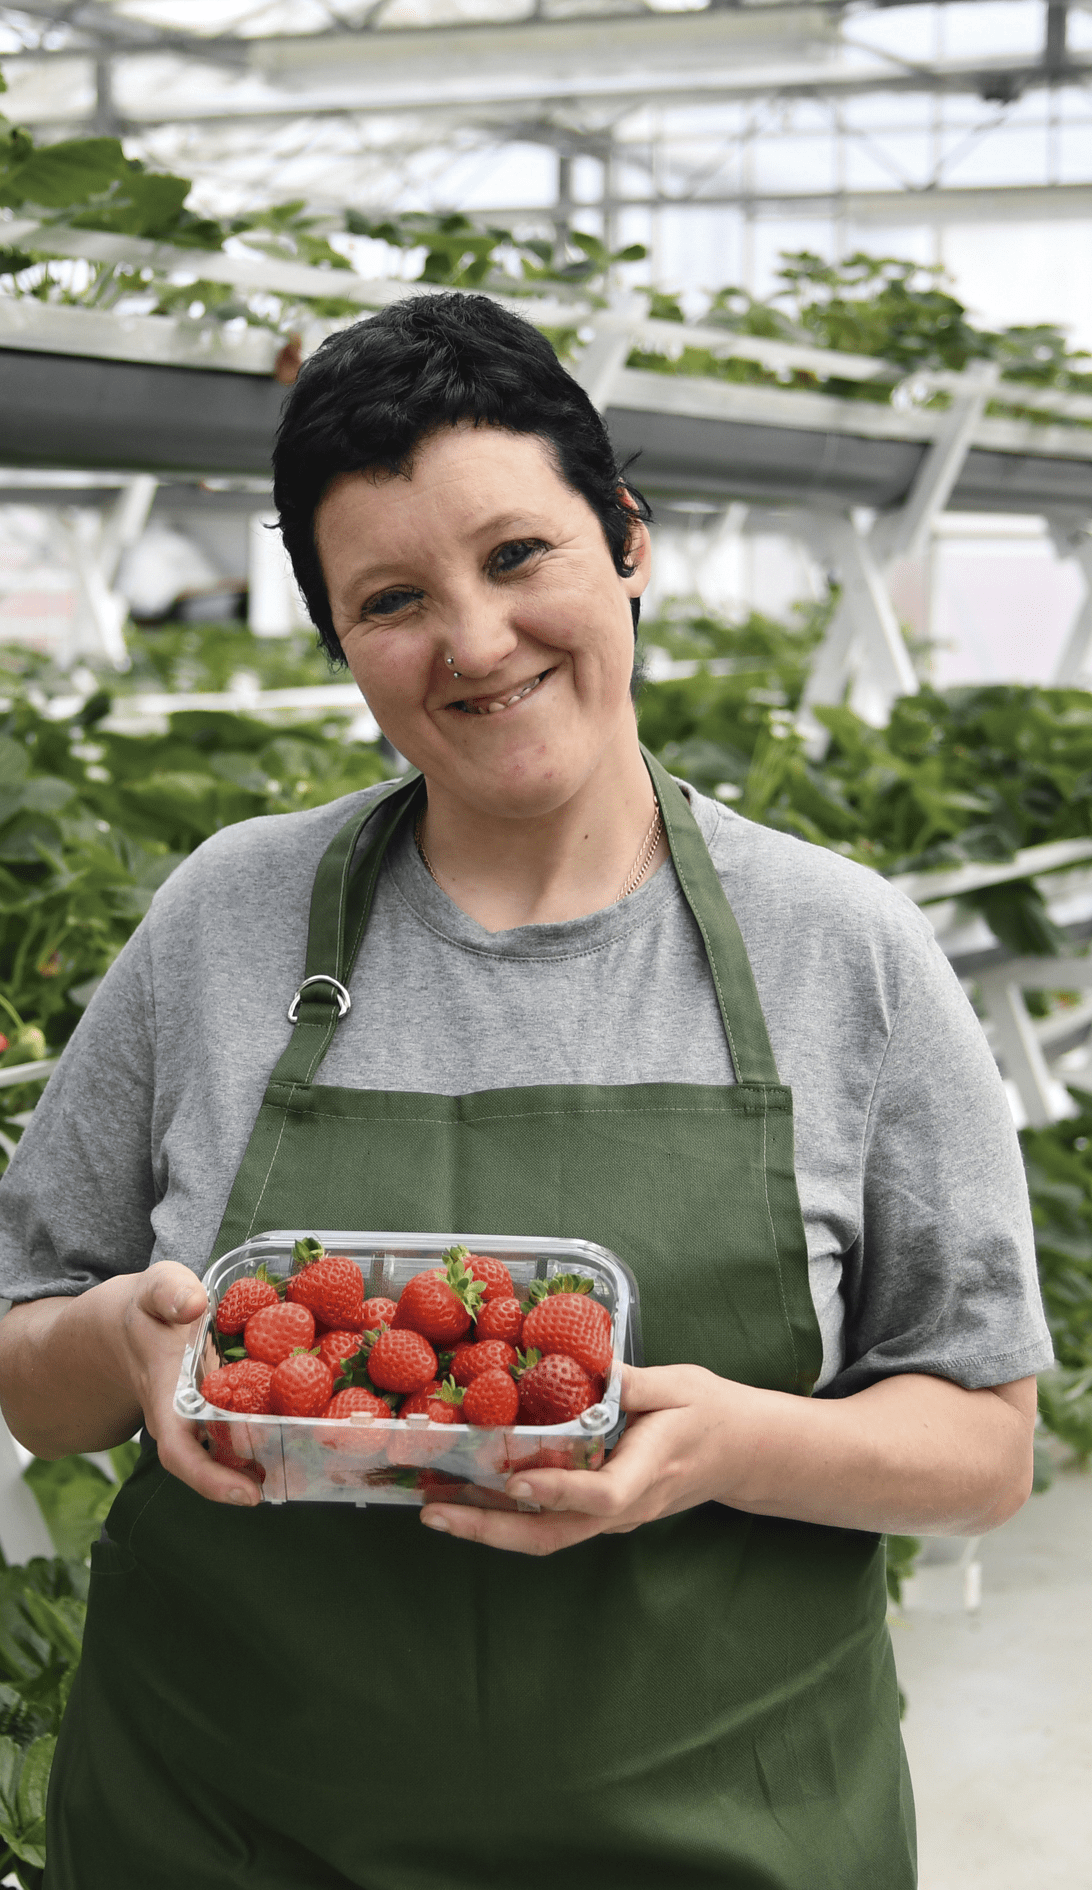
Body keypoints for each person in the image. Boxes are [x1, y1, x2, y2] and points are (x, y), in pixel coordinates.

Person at [0, 293, 1052, 1890]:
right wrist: (124, 1345)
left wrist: (726, 1445)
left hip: (720, 1837)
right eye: (393, 597)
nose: (475, 643)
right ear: (340, 638)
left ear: (625, 537)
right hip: (228, 1826)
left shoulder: (847, 954)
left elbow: (982, 1442)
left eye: (517, 557)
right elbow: (33, 1361)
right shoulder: (226, 918)